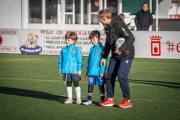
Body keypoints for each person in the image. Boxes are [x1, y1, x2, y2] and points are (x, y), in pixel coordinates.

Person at [98, 9, 135, 108]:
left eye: (101, 20)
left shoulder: (118, 24)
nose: (101, 22)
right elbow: (107, 42)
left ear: (104, 18)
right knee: (109, 75)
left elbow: (131, 38)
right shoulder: (107, 27)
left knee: (122, 76)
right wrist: (104, 56)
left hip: (126, 54)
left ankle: (127, 100)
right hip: (115, 54)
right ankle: (110, 99)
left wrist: (122, 49)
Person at [58, 31, 83, 104]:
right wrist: (60, 68)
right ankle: (70, 98)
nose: (66, 41)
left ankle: (78, 98)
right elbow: (61, 59)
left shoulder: (77, 50)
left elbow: (79, 60)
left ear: (73, 40)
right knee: (68, 84)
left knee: (76, 84)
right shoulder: (64, 49)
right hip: (66, 70)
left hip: (74, 70)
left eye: (68, 40)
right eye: (66, 39)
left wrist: (79, 69)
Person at [83, 30, 107, 105]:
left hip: (99, 72)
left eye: (94, 39)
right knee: (90, 86)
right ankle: (89, 100)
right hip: (91, 72)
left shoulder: (103, 48)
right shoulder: (91, 49)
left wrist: (102, 71)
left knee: (101, 86)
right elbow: (89, 60)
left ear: (99, 38)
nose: (93, 41)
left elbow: (104, 61)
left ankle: (102, 100)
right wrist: (87, 70)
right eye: (91, 40)